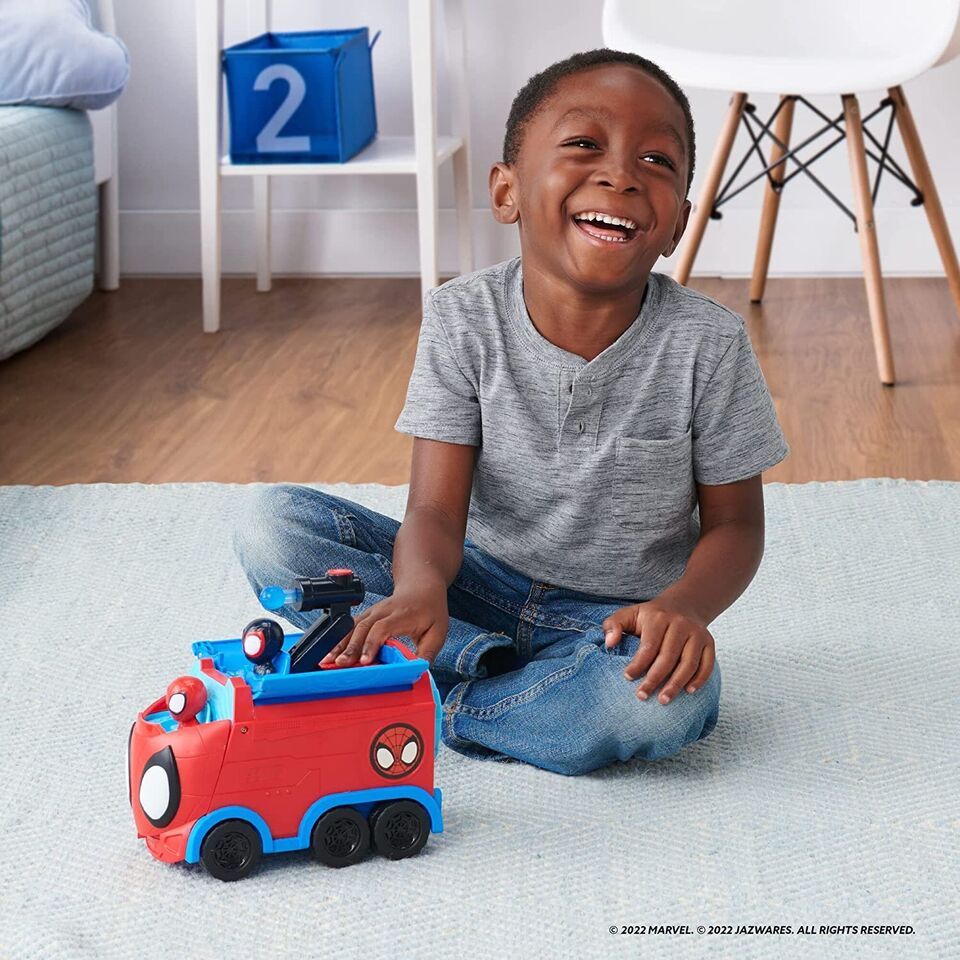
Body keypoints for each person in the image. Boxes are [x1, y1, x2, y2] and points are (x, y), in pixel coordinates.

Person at [233, 48, 790, 777]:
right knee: (272, 524)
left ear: (679, 222)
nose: (621, 175)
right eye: (584, 144)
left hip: (610, 627)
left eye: (656, 160)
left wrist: (684, 608)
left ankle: (444, 703)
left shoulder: (709, 344)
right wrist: (420, 589)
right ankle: (485, 669)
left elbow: (737, 526)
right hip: (469, 586)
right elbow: (434, 510)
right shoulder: (461, 317)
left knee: (670, 703)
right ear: (507, 192)